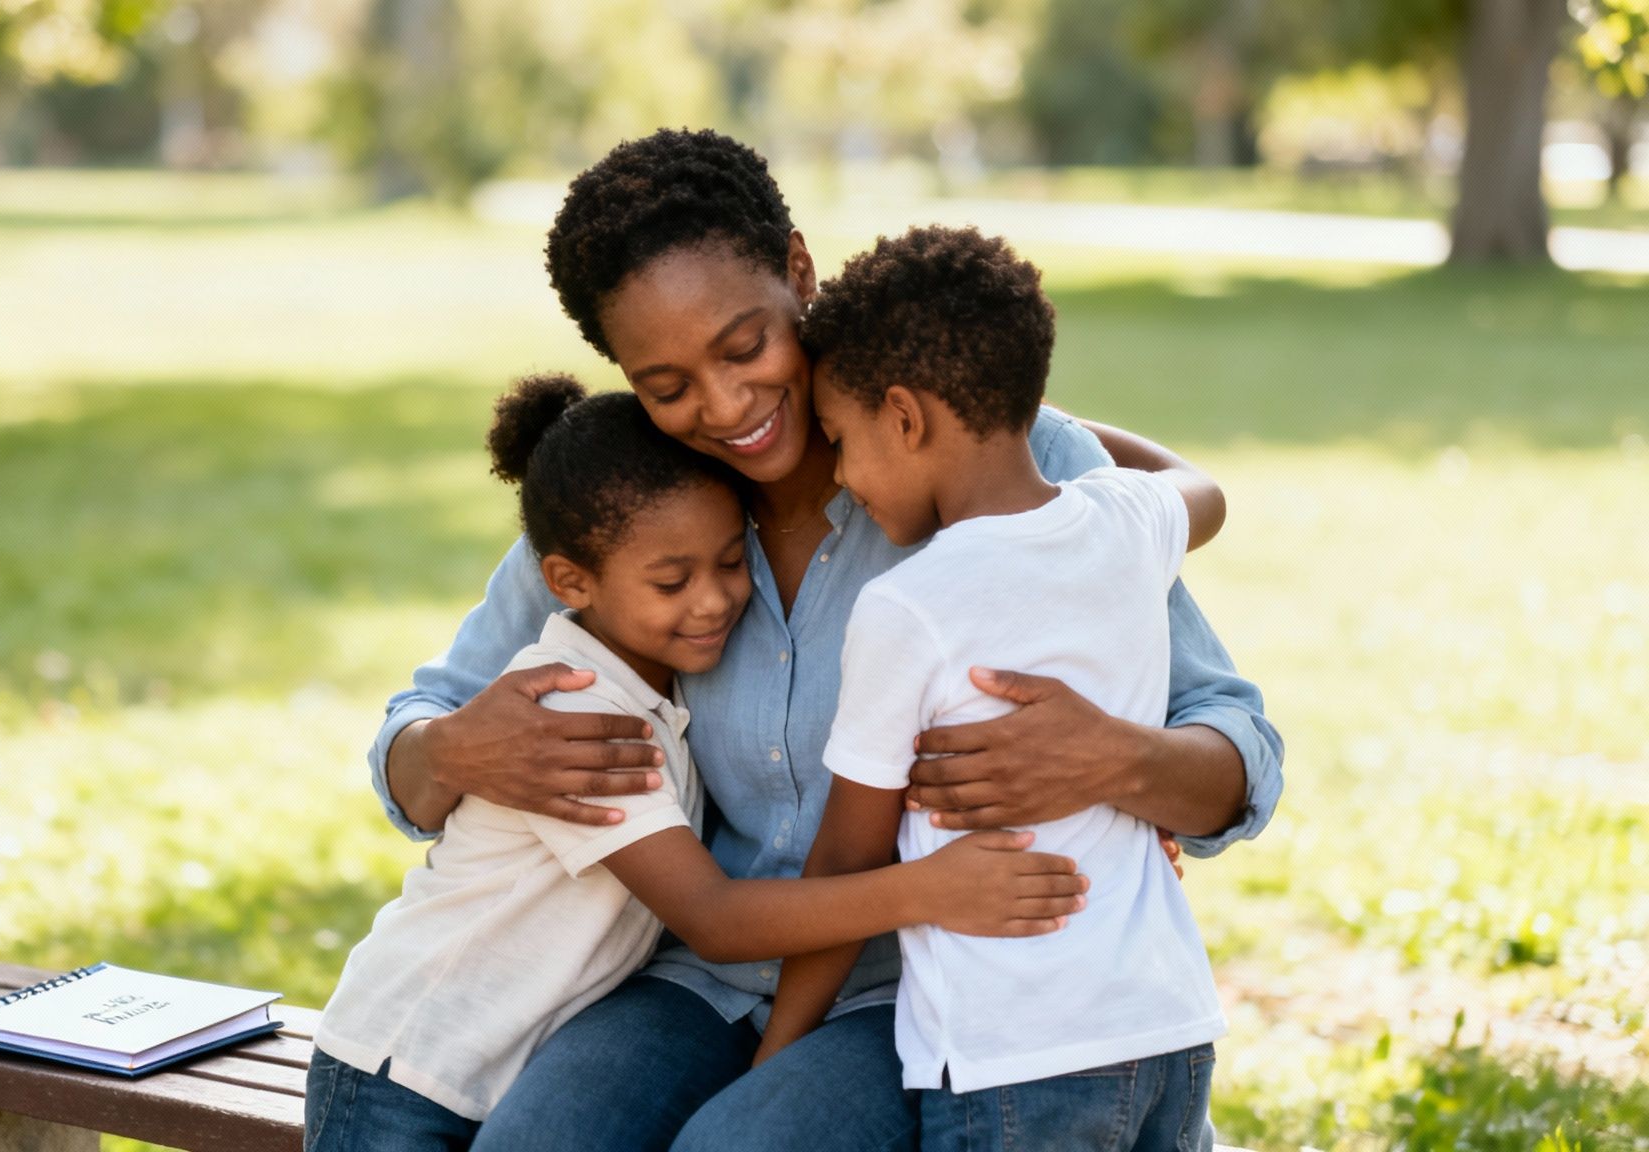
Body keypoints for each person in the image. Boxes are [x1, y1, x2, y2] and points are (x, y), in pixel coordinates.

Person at [370, 129, 1284, 1152]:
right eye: (666, 386)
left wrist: (1122, 758)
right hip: (696, 976)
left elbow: (1237, 756)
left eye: (743, 345)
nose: (723, 407)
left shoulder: (1001, 469)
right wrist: (444, 750)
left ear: (797, 271)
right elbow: (420, 736)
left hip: (922, 987)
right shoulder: (631, 503)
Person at [309, 374, 1089, 1152]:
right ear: (569, 584)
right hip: (403, 1064)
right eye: (672, 581)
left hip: (481, 1060)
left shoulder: (650, 688)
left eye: (728, 561)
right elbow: (713, 919)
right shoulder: (580, 722)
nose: (714, 601)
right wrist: (929, 890)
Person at [759, 225, 1229, 1152]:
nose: (843, 481)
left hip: (1013, 1056)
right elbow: (1199, 486)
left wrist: (778, 1050)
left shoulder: (908, 606)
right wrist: (1015, 404)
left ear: (906, 416)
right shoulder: (1120, 523)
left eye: (842, 441)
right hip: (1168, 1029)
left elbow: (846, 864)